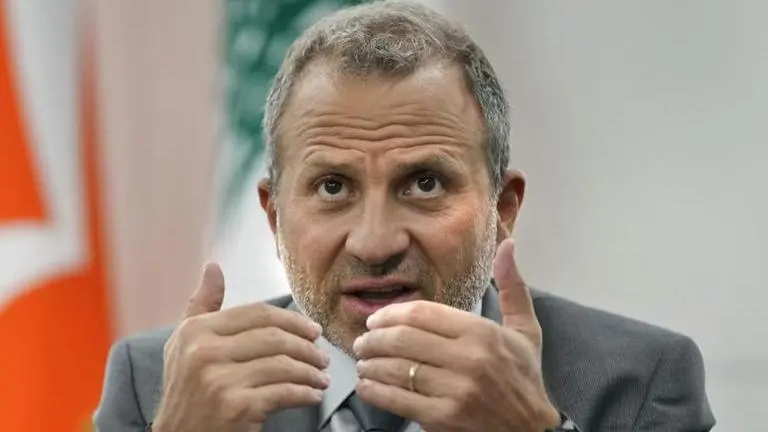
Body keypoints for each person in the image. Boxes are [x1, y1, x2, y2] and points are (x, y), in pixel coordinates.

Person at [94, 1, 715, 431]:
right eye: (333, 187)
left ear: (502, 209)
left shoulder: (637, 380)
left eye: (424, 183)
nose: (375, 242)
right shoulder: (156, 387)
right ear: (274, 217)